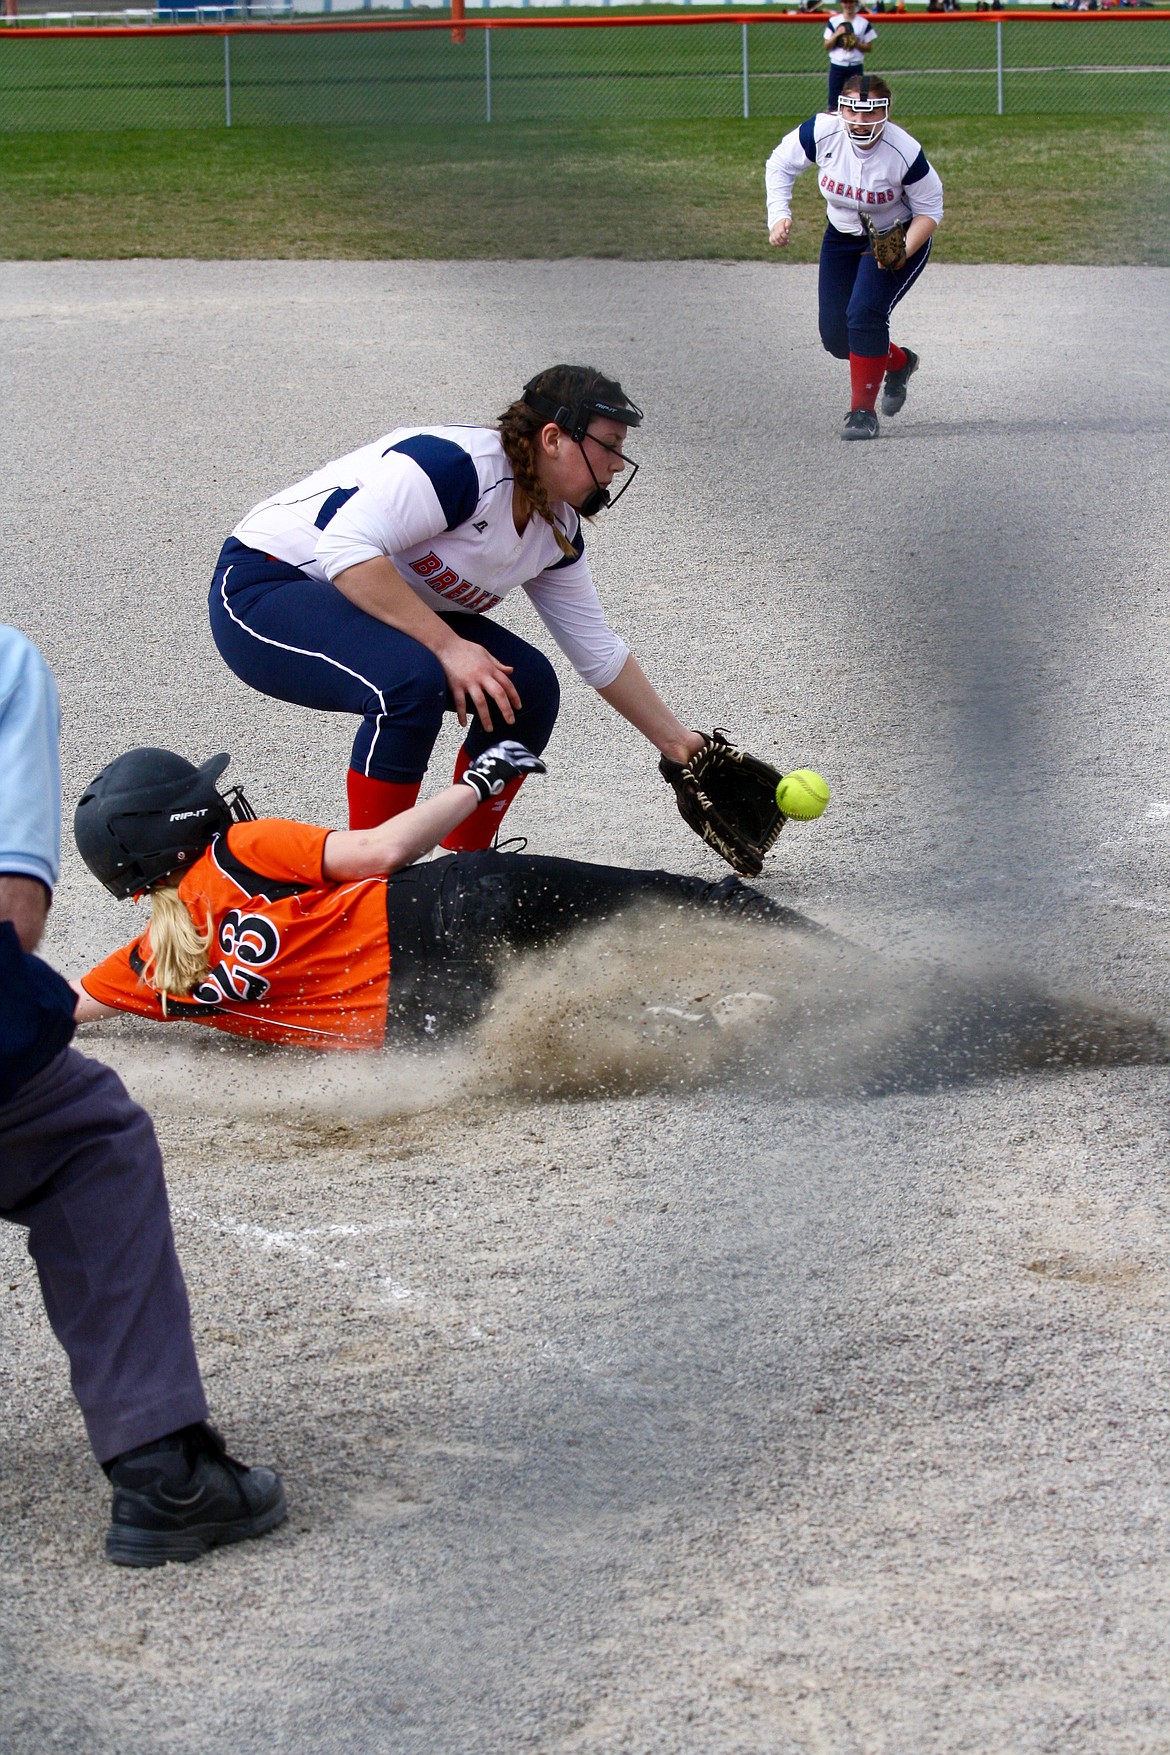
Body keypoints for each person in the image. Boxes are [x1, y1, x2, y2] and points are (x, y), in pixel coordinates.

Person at [0, 626, 285, 1568]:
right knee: (87, 1138)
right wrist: (482, 785)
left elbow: (80, 997)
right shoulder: (5, 662)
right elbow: (14, 920)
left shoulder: (141, 961)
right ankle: (161, 1467)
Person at [208, 365, 706, 844]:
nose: (619, 462)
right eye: (610, 445)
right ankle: (375, 883)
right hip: (265, 583)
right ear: (553, 439)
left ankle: (465, 871)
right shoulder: (459, 466)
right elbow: (344, 551)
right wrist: (449, 647)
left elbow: (597, 651)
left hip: (361, 597)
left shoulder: (555, 529)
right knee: (408, 683)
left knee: (524, 689)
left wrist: (678, 745)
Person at [70, 743, 809, 1052]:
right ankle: (853, 972)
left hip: (428, 1018)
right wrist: (479, 782)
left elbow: (55, 1007)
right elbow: (384, 851)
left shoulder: (152, 967)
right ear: (183, 826)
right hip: (461, 900)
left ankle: (795, 1039)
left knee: (626, 1027)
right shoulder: (238, 850)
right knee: (683, 901)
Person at [765, 73, 944, 441]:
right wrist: (778, 214)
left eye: (871, 113)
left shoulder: (903, 151)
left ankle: (862, 412)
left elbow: (930, 210)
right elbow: (779, 165)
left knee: (864, 313)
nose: (860, 122)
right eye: (852, 111)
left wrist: (898, 253)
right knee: (836, 336)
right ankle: (898, 362)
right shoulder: (820, 131)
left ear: (887, 112)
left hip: (898, 233)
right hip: (842, 234)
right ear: (840, 108)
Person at [822, 0, 876, 110]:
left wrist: (855, 42)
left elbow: (869, 47)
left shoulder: (863, 23)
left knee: (856, 100)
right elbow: (827, 46)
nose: (848, 5)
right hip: (837, 65)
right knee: (834, 102)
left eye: (851, 2)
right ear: (841, 3)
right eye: (845, 2)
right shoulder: (834, 21)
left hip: (855, 65)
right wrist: (837, 35)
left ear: (855, 3)